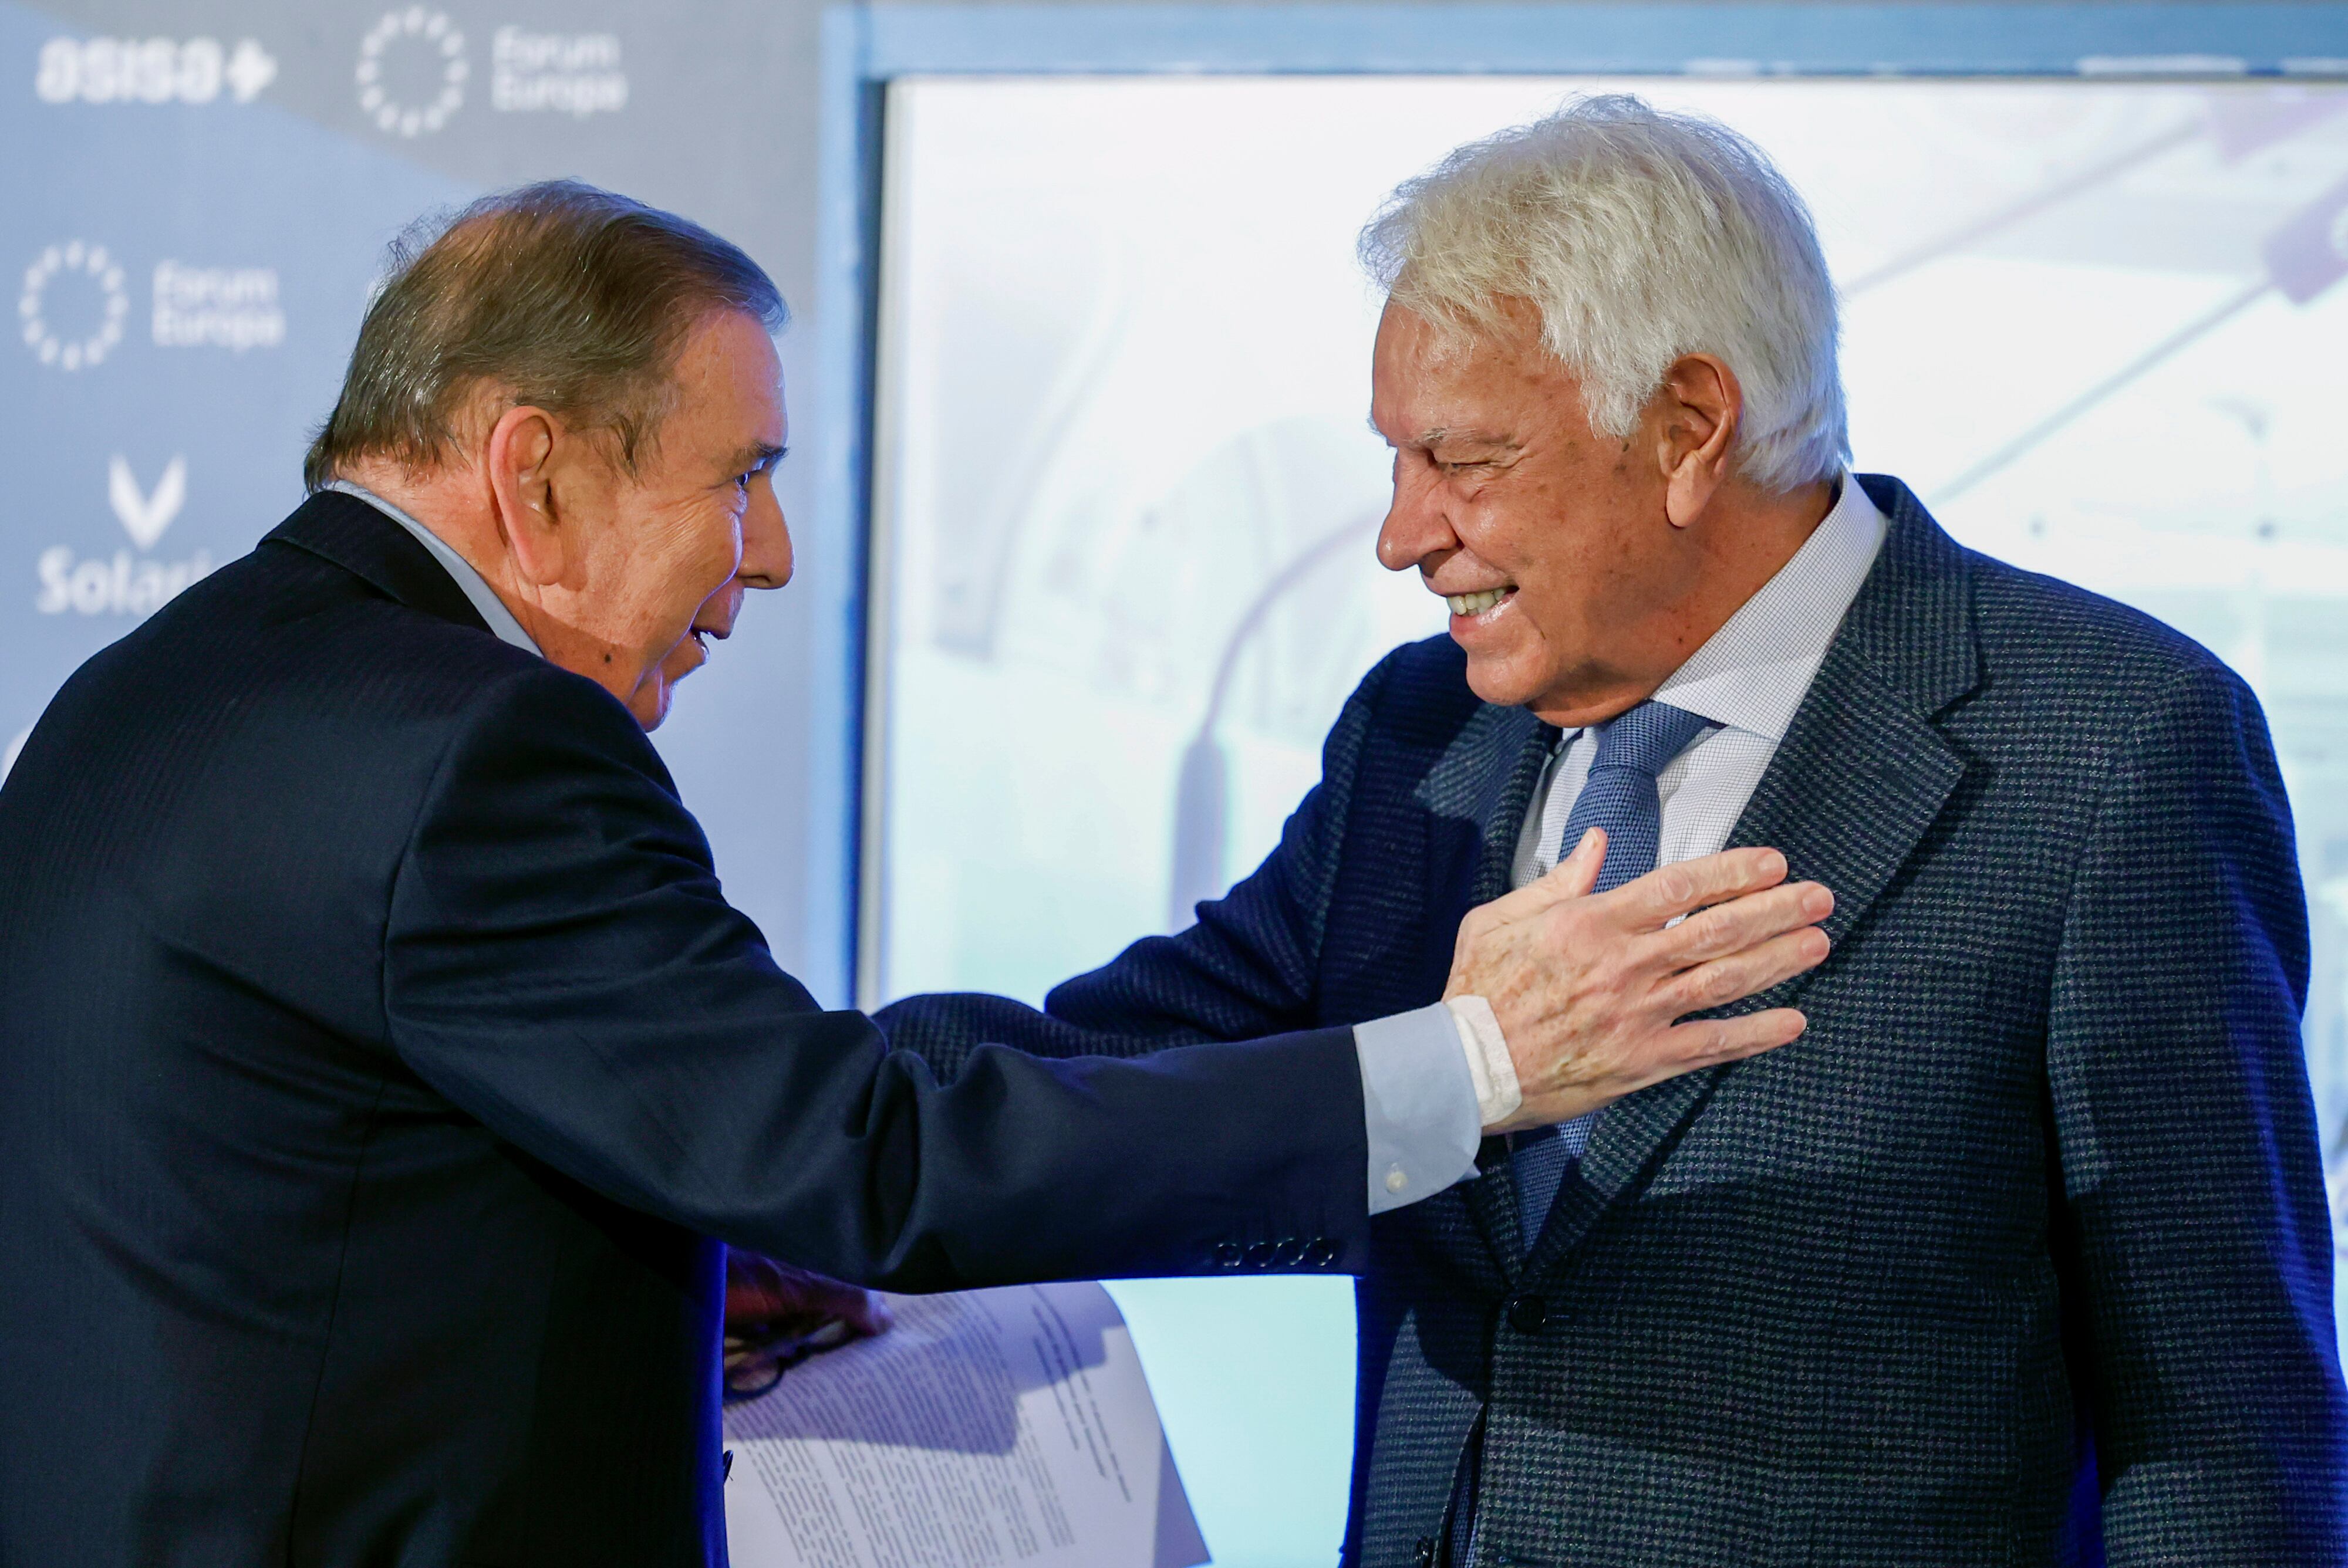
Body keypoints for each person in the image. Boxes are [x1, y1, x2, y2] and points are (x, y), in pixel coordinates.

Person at [0, 180, 1830, 1566]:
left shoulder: (166, 685)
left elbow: (341, 1177)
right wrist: (1480, 1065)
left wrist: (729, 1221)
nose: (772, 555)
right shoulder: (478, 742)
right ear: (533, 473)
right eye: (743, 477)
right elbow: (864, 1158)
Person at [867, 99, 2346, 1564]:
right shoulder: (1419, 732)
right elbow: (1119, 1072)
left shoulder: (2108, 745)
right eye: (1395, 459)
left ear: (1689, 430)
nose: (1401, 531)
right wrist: (742, 1128)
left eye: (1464, 460)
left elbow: (2222, 1430)